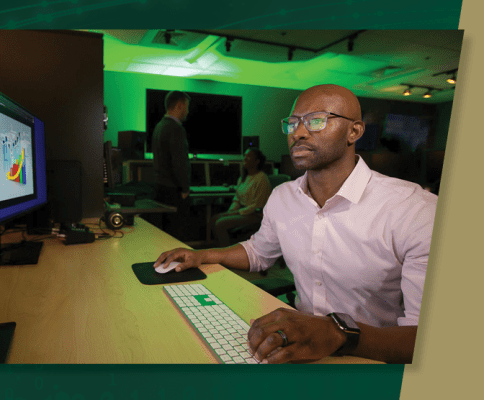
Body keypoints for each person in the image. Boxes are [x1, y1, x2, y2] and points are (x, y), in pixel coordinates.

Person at [153, 84, 437, 364]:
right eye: (292, 123)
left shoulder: (414, 210)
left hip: (369, 359)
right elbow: (258, 253)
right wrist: (202, 255)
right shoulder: (282, 197)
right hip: (296, 348)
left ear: (354, 132)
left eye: (317, 121)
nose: (298, 133)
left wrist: (337, 333)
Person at [210, 148, 272, 247]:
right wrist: (229, 212)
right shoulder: (243, 178)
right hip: (243, 212)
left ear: (256, 161)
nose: (245, 158)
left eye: (248, 157)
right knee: (214, 219)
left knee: (220, 224)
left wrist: (235, 213)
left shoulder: (262, 179)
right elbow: (237, 199)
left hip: (255, 214)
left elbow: (257, 206)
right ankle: (221, 248)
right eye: (244, 156)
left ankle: (228, 255)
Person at [151, 91, 191, 239]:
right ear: (179, 106)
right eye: (186, 107)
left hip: (160, 188)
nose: (188, 111)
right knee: (176, 233)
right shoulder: (176, 129)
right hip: (174, 190)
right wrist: (185, 189)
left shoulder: (159, 126)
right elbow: (179, 162)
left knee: (164, 235)